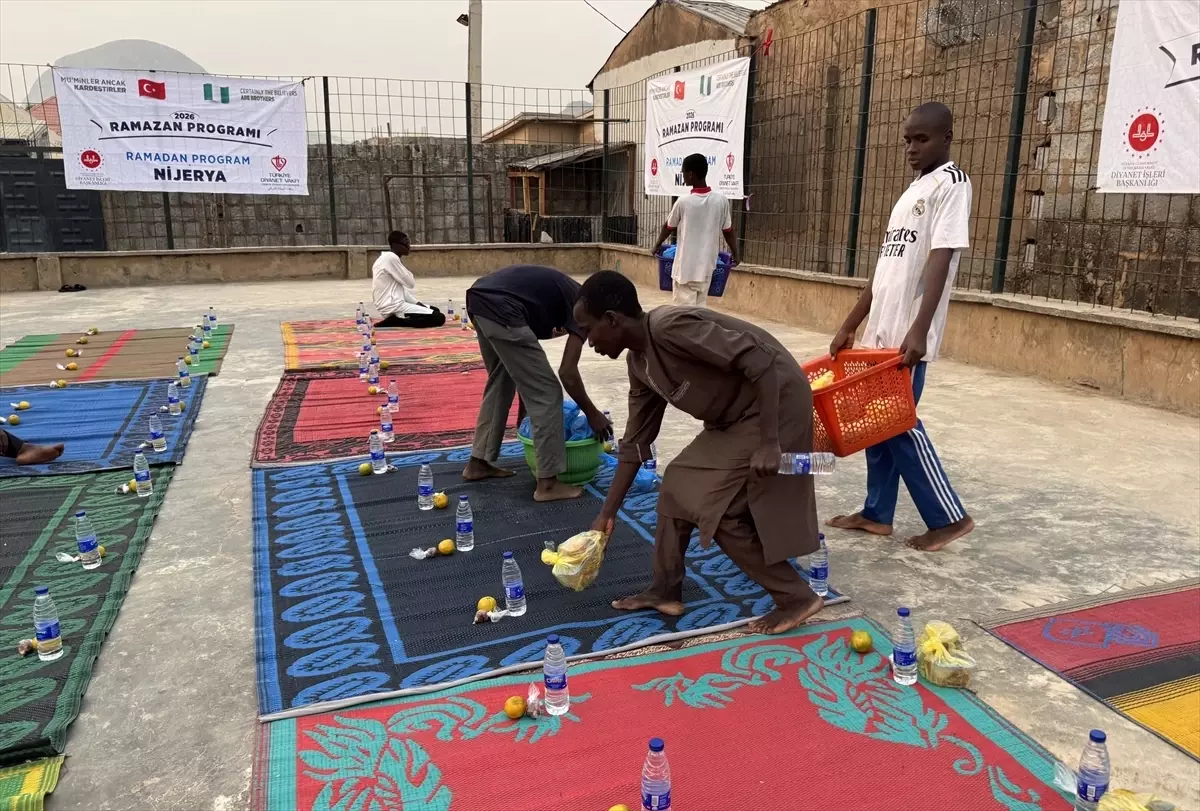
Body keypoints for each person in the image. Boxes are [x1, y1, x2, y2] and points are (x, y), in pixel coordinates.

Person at [576, 270, 823, 635]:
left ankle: (795, 597)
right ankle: (665, 589)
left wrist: (770, 442)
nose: (588, 342)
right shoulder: (639, 364)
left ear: (612, 320)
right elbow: (636, 444)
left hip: (776, 402)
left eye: (588, 330)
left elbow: (761, 361)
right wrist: (605, 516)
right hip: (731, 420)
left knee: (714, 506)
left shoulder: (670, 327)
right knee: (677, 483)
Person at [827, 101, 974, 552]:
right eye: (908, 140)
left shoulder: (952, 184)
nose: (912, 148)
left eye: (922, 139)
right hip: (881, 333)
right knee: (877, 425)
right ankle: (877, 514)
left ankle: (949, 518)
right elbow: (885, 268)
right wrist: (851, 323)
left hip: (908, 334)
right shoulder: (912, 190)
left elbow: (941, 258)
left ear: (947, 137)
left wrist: (919, 329)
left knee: (899, 424)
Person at [463, 264, 611, 502]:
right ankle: (548, 484)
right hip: (502, 307)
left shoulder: (570, 297)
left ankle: (478, 462)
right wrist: (593, 414)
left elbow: (525, 371)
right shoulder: (585, 310)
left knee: (501, 380)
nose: (591, 340)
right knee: (548, 392)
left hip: (480, 300)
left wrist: (527, 410)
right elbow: (567, 372)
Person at [650, 153, 739, 307]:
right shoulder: (721, 201)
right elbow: (728, 231)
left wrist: (657, 245)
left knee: (684, 315)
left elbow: (668, 227)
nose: (683, 176)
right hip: (706, 270)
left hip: (685, 271)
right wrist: (736, 254)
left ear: (691, 174)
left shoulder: (683, 202)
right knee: (699, 312)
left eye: (684, 173)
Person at [371, 231, 446, 328]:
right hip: (393, 307)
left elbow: (401, 290)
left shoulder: (385, 258)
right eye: (406, 244)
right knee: (439, 318)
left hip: (392, 304)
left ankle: (397, 319)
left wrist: (417, 303)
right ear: (395, 245)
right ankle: (397, 321)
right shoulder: (391, 258)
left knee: (435, 310)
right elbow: (410, 283)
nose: (409, 247)